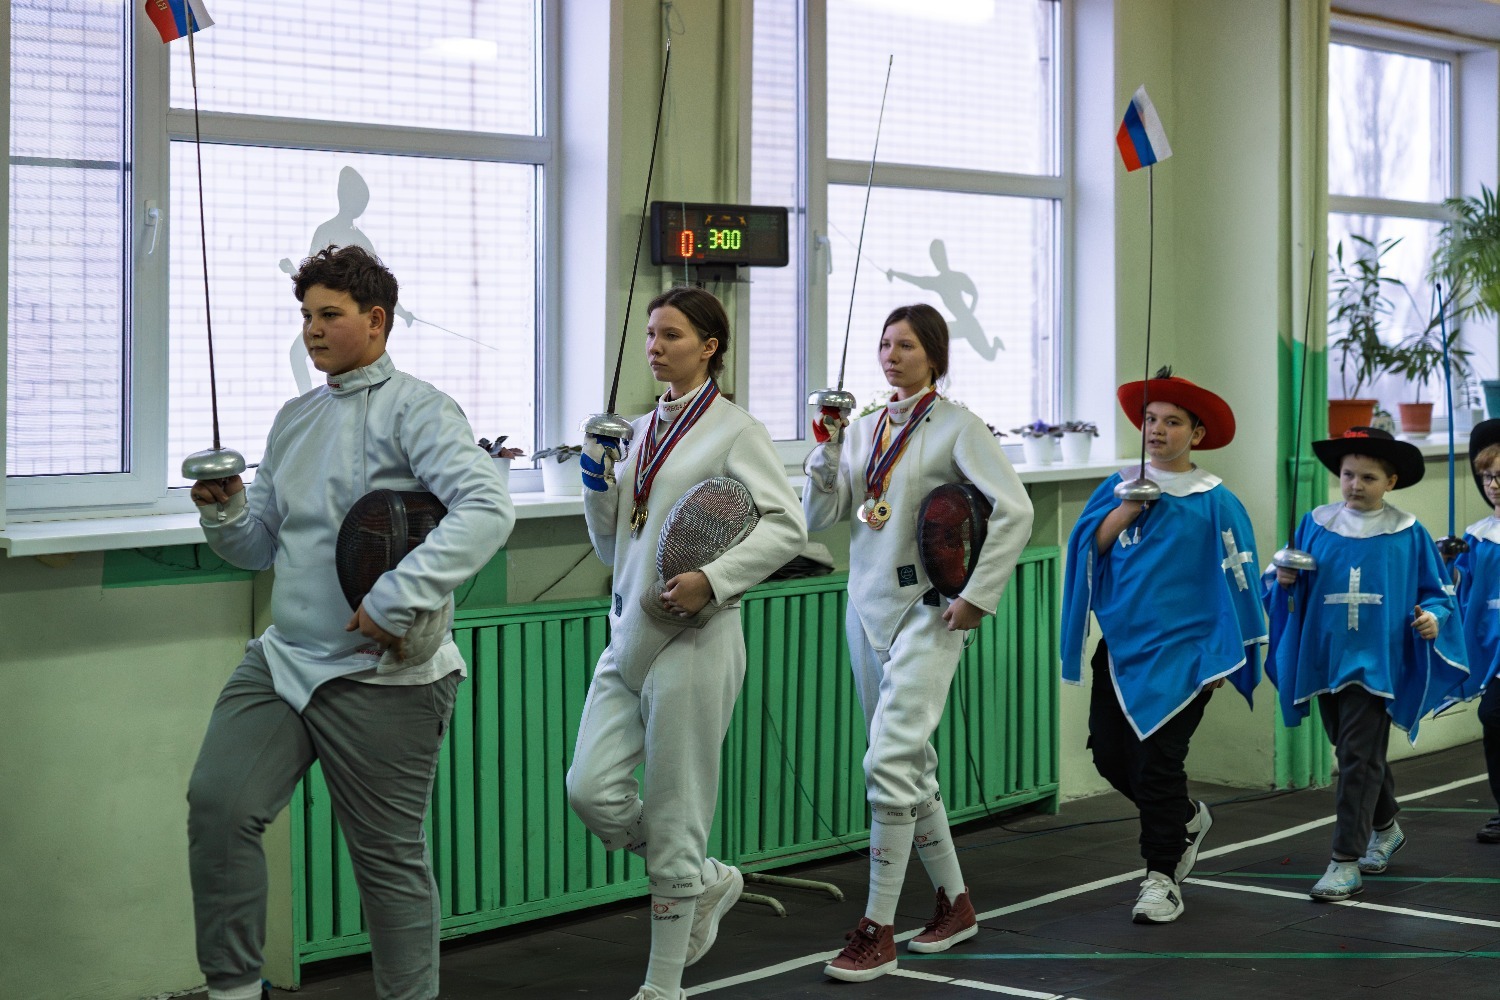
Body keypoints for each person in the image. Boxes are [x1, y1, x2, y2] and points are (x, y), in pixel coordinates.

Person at [186, 245, 514, 1000]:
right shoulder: (295, 418)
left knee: (386, 859)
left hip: (383, 674)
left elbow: (487, 508)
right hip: (284, 661)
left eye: (329, 314)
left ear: (376, 320)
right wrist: (226, 512)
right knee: (220, 807)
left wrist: (396, 598)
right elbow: (260, 547)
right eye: (306, 315)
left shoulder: (419, 409)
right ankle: (234, 989)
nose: (312, 329)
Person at [565, 286, 807, 1000]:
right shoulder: (639, 431)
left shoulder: (735, 430)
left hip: (695, 641)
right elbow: (614, 545)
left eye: (671, 335)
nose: (655, 347)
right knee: (589, 791)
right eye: (650, 334)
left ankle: (662, 985)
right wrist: (596, 480)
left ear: (709, 346)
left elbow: (787, 525)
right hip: (628, 634)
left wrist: (714, 579)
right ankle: (702, 878)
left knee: (676, 812)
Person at [803, 303, 1033, 983]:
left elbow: (1014, 508)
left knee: (888, 762)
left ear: (933, 353)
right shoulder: (866, 428)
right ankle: (955, 905)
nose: (891, 356)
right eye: (884, 344)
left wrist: (978, 595)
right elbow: (822, 515)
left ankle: (877, 928)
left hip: (929, 613)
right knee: (911, 766)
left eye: (905, 345)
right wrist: (826, 453)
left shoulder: (957, 426)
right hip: (866, 609)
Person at [1059, 369, 1265, 925]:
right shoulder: (1118, 486)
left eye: (1172, 422)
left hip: (1189, 654)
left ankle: (1161, 877)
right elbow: (1089, 548)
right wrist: (1126, 510)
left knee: (1157, 764)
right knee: (1110, 756)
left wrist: (1226, 653)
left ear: (1196, 434)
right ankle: (1185, 818)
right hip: (1124, 649)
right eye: (1150, 419)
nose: (1157, 429)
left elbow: (1239, 576)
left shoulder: (1215, 500)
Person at [1267, 426, 1467, 901]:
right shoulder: (1316, 524)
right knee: (1353, 750)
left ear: (1391, 482)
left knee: (1357, 756)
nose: (1355, 485)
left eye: (1368, 477)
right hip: (1325, 655)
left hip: (1378, 659)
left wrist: (1433, 619)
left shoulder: (1407, 533)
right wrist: (1285, 578)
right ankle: (1386, 825)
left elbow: (1437, 594)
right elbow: (1282, 579)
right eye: (1348, 475)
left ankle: (1344, 860)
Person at [1440, 419, 1500, 844]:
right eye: (1488, 477)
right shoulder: (1477, 537)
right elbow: (1458, 591)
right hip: (1495, 647)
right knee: (1493, 716)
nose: (1494, 485)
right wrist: (1446, 561)